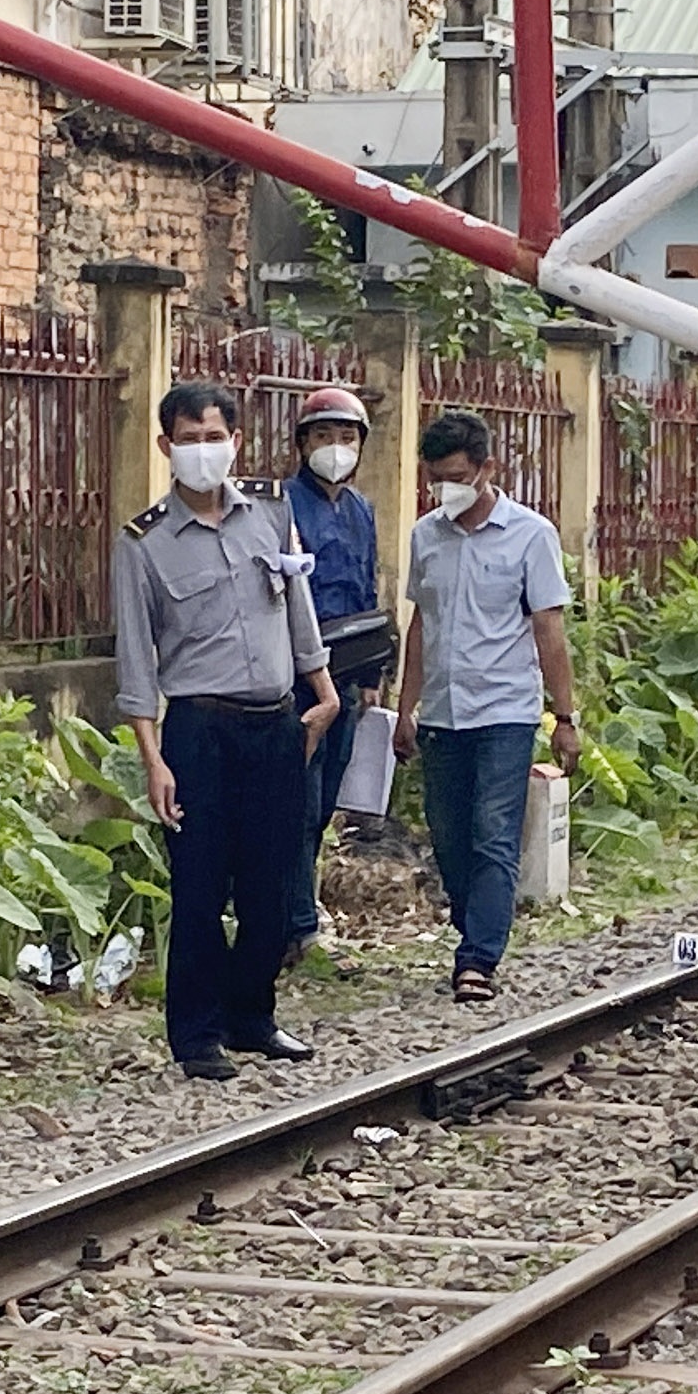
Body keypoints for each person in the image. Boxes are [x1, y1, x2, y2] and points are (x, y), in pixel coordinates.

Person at [113, 380, 342, 1081]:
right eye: (189, 439)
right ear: (165, 447)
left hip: (275, 722)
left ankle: (254, 1016)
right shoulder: (144, 543)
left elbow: (296, 605)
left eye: (215, 437)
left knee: (274, 883)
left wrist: (324, 694)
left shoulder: (272, 515)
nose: (203, 452)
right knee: (201, 887)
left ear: (236, 441)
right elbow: (136, 659)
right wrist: (152, 758)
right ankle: (197, 1035)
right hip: (199, 731)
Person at [393, 410, 581, 1007]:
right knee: (448, 836)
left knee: (492, 833)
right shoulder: (427, 535)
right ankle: (474, 926)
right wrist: (406, 707)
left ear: (486, 469)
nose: (445, 489)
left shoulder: (530, 534)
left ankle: (477, 959)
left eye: (456, 476)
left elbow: (548, 631)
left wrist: (565, 718)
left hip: (505, 709)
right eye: (436, 479)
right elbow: (421, 623)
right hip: (444, 712)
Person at [283, 384, 383, 966]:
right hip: (298, 674)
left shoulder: (361, 509)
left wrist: (372, 671)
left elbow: (367, 587)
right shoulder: (283, 506)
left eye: (346, 438)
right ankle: (296, 925)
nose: (336, 448)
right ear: (302, 443)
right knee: (300, 797)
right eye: (324, 437)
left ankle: (299, 913)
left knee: (325, 804)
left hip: (346, 672)